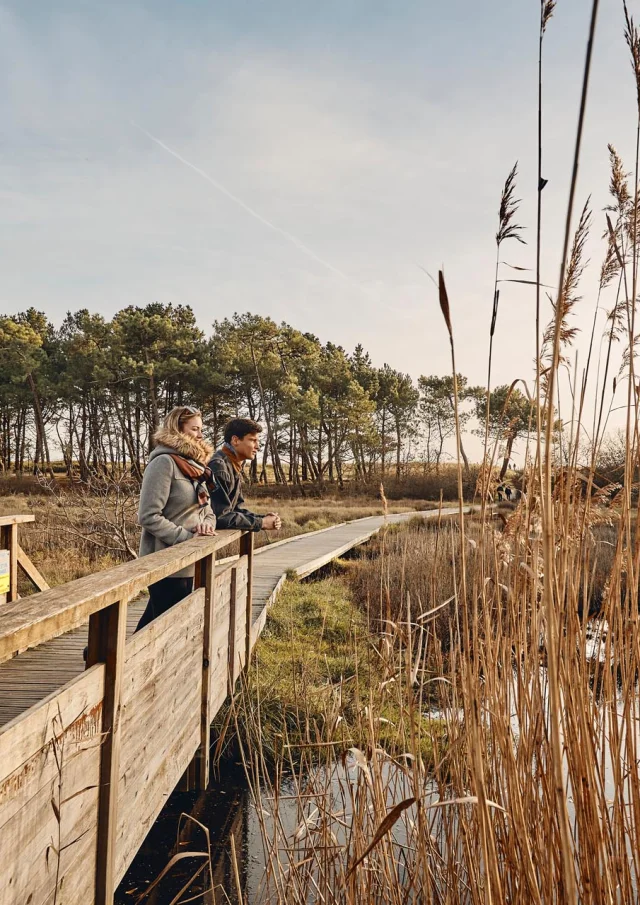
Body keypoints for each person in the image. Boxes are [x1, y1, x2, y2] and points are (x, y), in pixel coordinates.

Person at [136, 405, 217, 631]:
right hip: (165, 561)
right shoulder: (163, 463)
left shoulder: (194, 467)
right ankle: (105, 658)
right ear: (177, 430)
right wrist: (187, 538)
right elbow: (148, 515)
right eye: (194, 429)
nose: (200, 436)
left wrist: (206, 527)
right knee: (163, 628)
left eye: (201, 430)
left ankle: (105, 656)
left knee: (155, 624)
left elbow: (207, 510)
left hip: (190, 561)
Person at [208, 417, 282, 532]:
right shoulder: (219, 467)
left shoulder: (233, 465)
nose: (257, 446)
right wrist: (261, 523)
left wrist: (263, 518)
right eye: (253, 440)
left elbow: (235, 510)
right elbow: (220, 517)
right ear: (235, 440)